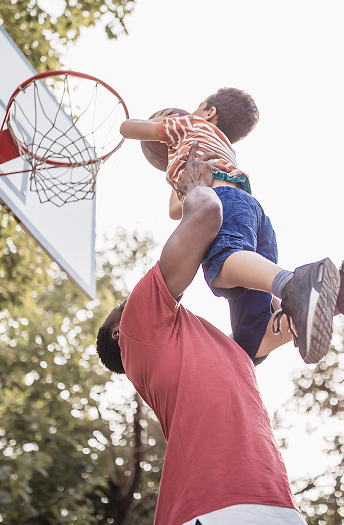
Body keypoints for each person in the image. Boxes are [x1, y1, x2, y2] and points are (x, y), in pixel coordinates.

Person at [96, 144, 306, 525]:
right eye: (120, 304)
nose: (129, 296)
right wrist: (193, 187)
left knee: (256, 331)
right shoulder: (135, 329)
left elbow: (281, 328)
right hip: (210, 507)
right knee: (223, 264)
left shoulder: (223, 349)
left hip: (275, 505)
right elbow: (208, 214)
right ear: (117, 333)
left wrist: (331, 298)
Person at [120, 89, 344, 365]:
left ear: (210, 112)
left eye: (197, 107)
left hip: (224, 203)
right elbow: (175, 209)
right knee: (250, 342)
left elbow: (127, 127)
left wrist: (161, 124)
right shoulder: (221, 145)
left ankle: (293, 284)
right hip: (251, 212)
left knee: (222, 264)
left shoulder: (187, 124)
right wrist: (177, 163)